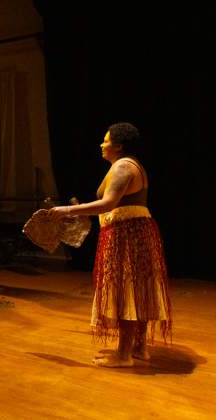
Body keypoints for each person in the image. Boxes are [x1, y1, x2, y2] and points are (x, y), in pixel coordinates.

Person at [48, 122, 172, 368]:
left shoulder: (123, 167)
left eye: (105, 140)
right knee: (137, 288)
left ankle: (124, 355)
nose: (101, 144)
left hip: (126, 233)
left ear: (118, 145)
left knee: (125, 290)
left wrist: (67, 210)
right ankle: (139, 348)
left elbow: (108, 204)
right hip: (134, 231)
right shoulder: (130, 165)